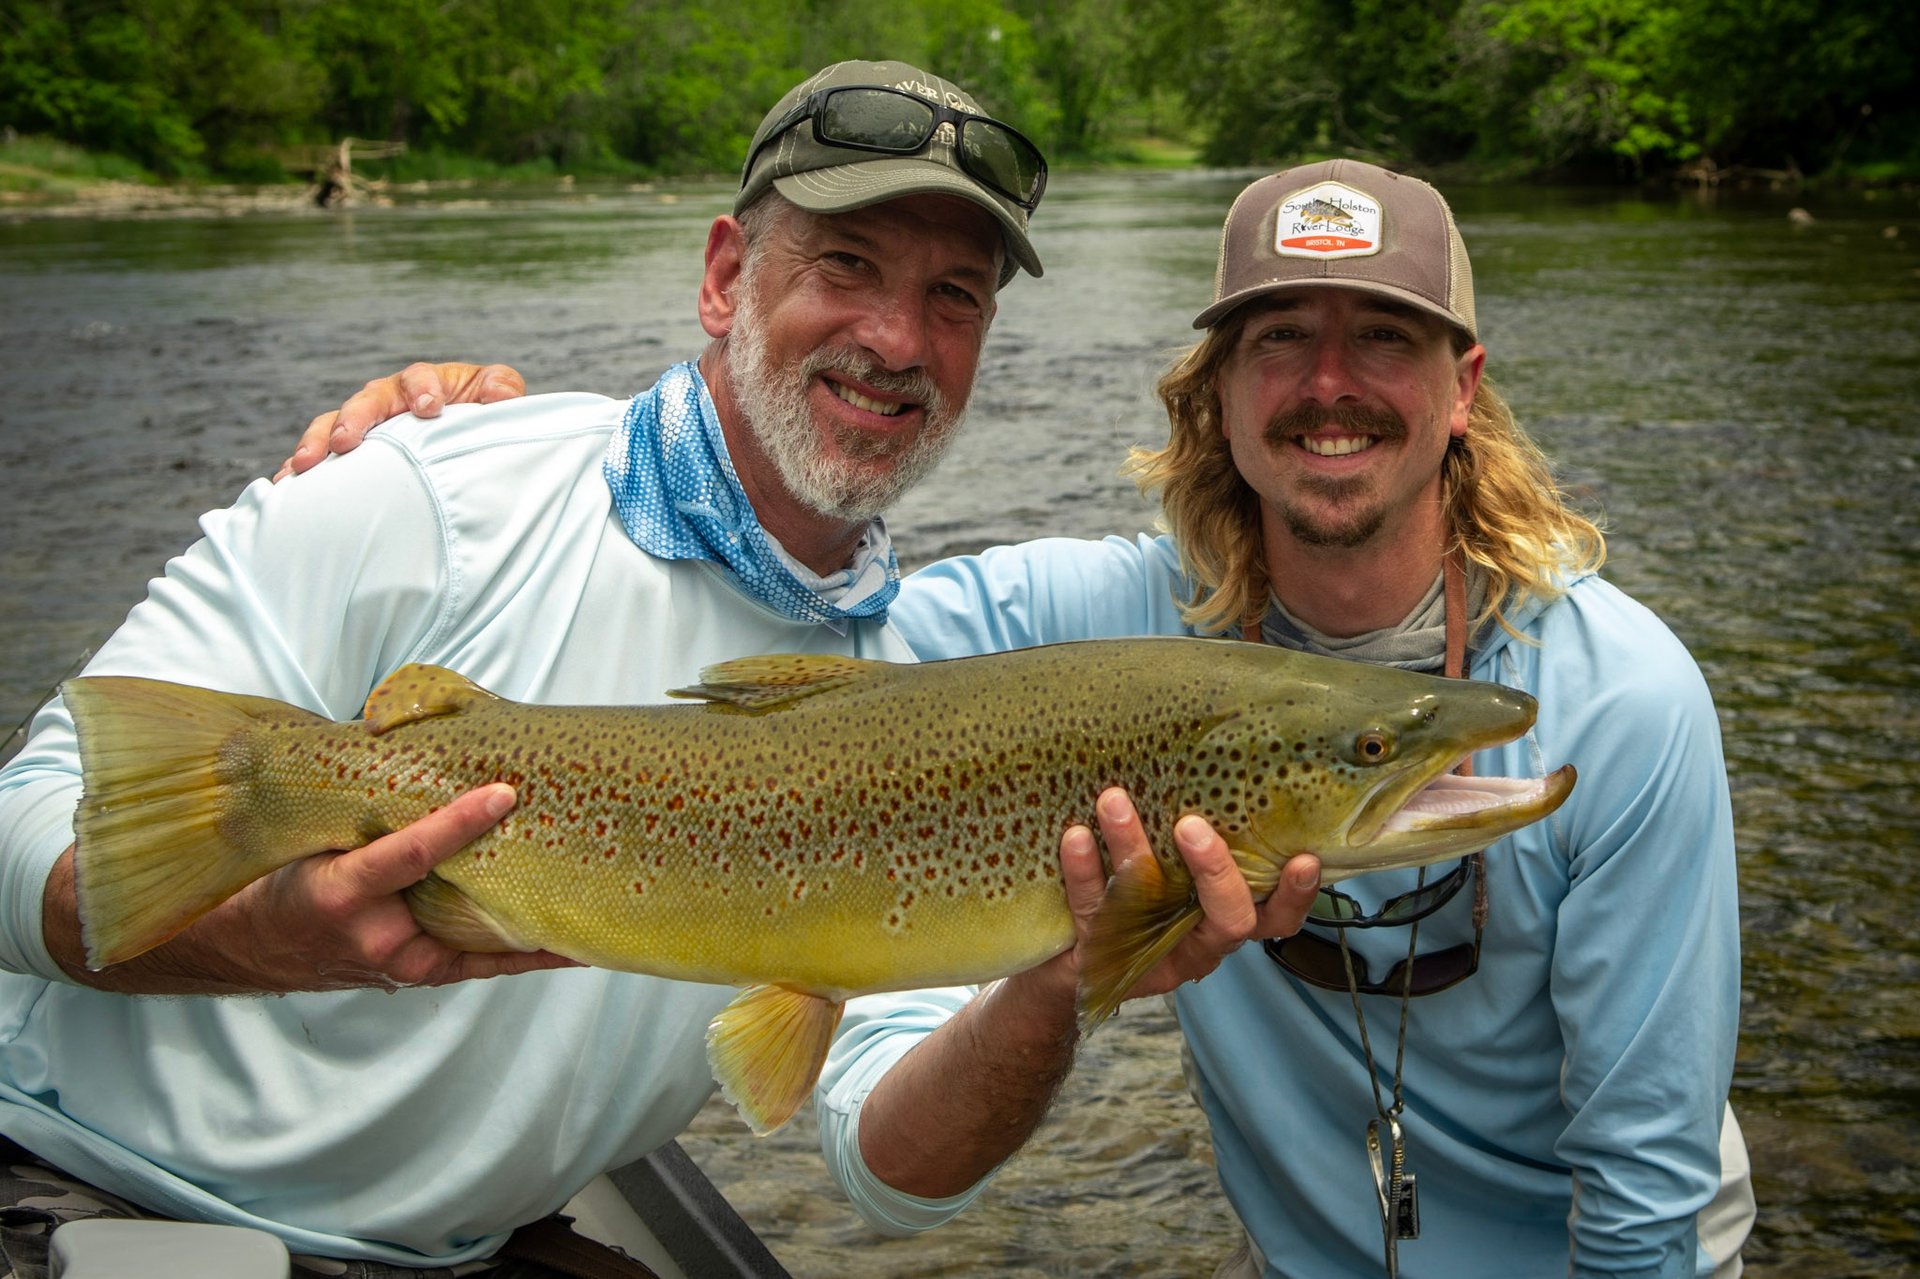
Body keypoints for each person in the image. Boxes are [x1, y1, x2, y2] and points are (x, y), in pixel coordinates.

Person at [312, 160, 1751, 1277]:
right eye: (1279, 340)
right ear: (1222, 392)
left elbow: (1643, 1180)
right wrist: (498, 451)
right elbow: (785, 602)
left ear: (1463, 391)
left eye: (1385, 337)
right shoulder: (1078, 628)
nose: (1328, 384)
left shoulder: (1619, 701)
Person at [0, 60, 1318, 1277]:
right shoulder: (430, 481)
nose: (897, 341)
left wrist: (1064, 977)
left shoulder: (904, 707)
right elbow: (22, 844)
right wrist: (269, 938)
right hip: (116, 1201)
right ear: (724, 275)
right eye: (846, 263)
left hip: (472, 1253)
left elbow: (886, 1171)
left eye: (952, 297)